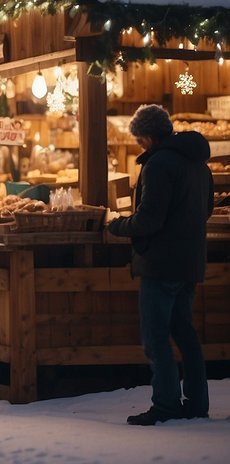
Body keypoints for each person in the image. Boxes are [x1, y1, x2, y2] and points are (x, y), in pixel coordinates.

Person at [107, 104, 212, 425]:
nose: (139, 144)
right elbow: (206, 209)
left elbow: (148, 220)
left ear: (148, 136)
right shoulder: (197, 163)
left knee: (155, 338)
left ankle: (166, 405)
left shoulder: (158, 165)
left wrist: (116, 224)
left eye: (139, 138)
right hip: (189, 261)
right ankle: (196, 402)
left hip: (161, 264)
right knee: (185, 333)